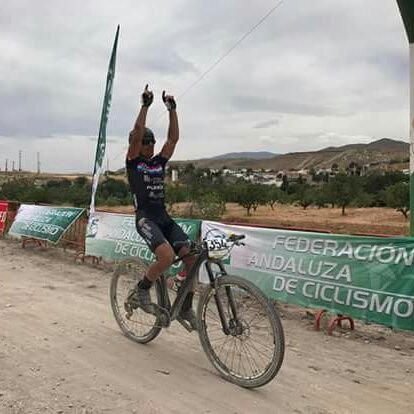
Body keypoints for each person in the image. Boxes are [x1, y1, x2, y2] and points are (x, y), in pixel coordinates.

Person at [126, 84, 197, 330]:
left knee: (193, 259)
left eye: (152, 141)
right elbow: (136, 131)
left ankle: (185, 307)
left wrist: (172, 109)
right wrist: (145, 105)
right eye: (146, 142)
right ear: (136, 145)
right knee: (166, 256)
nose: (151, 145)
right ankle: (141, 290)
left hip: (163, 217)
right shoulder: (133, 163)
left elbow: (173, 139)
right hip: (145, 218)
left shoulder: (158, 162)